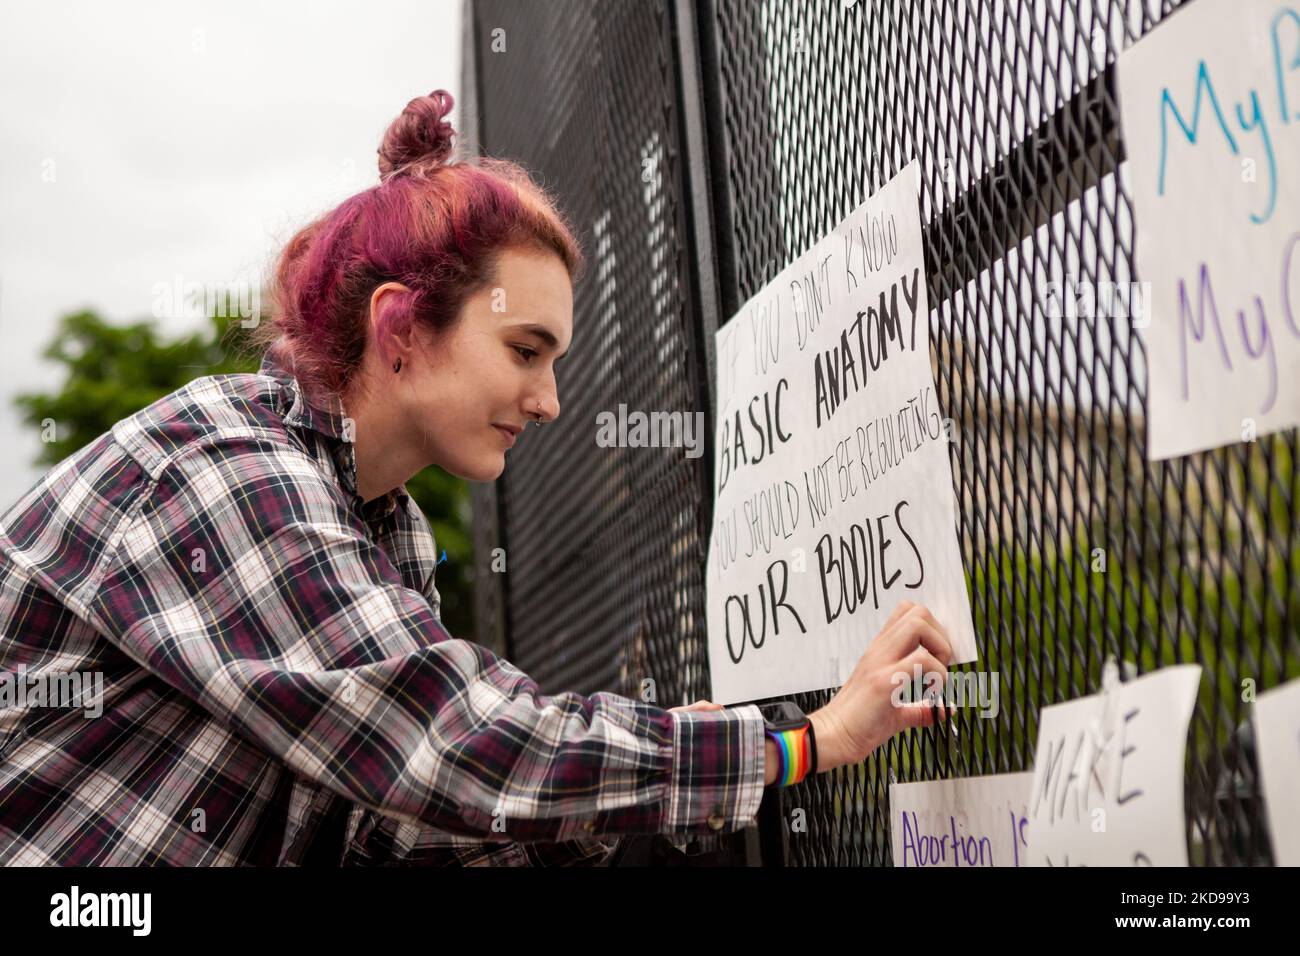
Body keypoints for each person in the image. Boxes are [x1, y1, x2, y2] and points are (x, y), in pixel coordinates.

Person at [0, 90, 953, 867]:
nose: (548, 401)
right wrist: (800, 744)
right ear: (401, 328)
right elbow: (459, 746)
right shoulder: (226, 467)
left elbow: (402, 829)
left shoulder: (388, 530)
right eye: (525, 350)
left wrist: (662, 760)